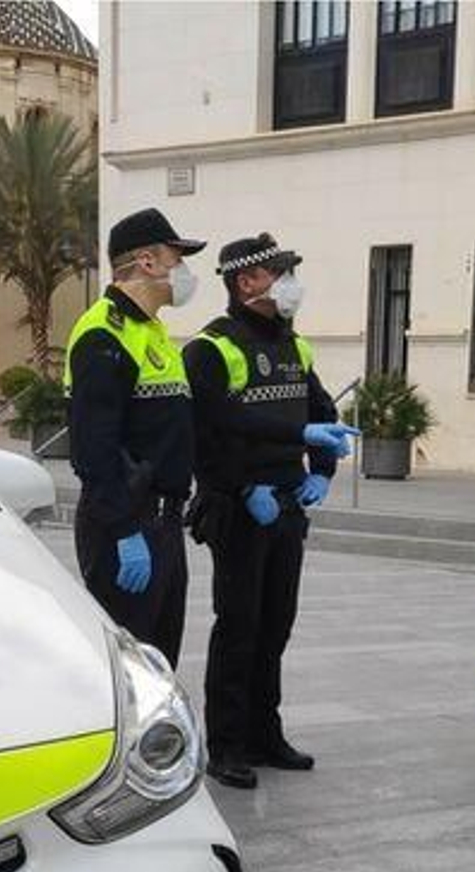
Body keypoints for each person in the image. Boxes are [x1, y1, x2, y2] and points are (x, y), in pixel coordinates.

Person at [183, 233, 357, 789]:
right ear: (246, 282)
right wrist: (240, 488)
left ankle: (265, 734)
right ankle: (228, 745)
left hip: (286, 504)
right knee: (239, 627)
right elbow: (209, 432)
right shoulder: (211, 348)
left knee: (276, 625)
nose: (289, 284)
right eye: (279, 273)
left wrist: (322, 472)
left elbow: (321, 411)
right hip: (240, 508)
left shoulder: (293, 345)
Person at [63, 208, 204, 667]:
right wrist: (124, 531)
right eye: (177, 259)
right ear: (147, 261)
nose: (182, 271)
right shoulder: (102, 334)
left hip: (164, 522)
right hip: (126, 526)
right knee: (130, 671)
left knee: (160, 665)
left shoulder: (152, 331)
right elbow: (93, 448)